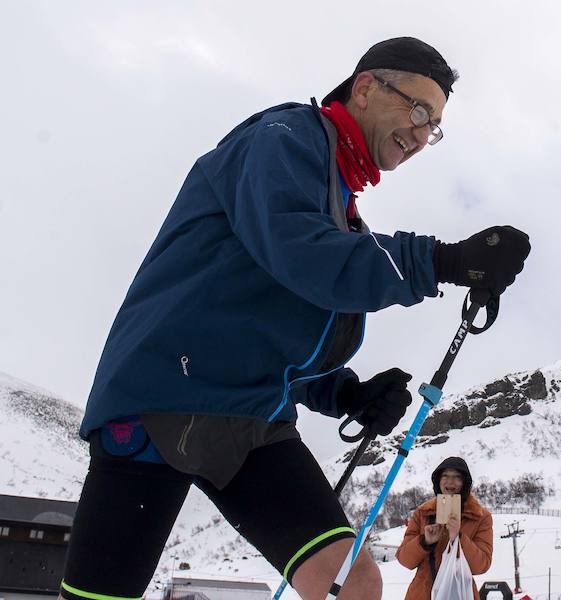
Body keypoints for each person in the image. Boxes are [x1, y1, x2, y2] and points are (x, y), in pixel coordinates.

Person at [60, 37, 529, 600]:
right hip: (164, 400)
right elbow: (306, 256)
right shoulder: (281, 139)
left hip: (253, 420)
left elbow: (272, 324)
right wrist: (444, 261)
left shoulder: (338, 198)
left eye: (435, 127)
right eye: (419, 111)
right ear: (365, 88)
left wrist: (346, 394)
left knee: (353, 580)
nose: (423, 135)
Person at [397, 457, 493, 600]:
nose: (450, 482)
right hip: (421, 594)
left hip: (460, 593)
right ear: (438, 481)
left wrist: (458, 538)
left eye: (457, 477)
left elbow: (481, 565)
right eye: (445, 476)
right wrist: (425, 541)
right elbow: (405, 560)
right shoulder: (423, 513)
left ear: (465, 483)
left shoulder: (479, 517)